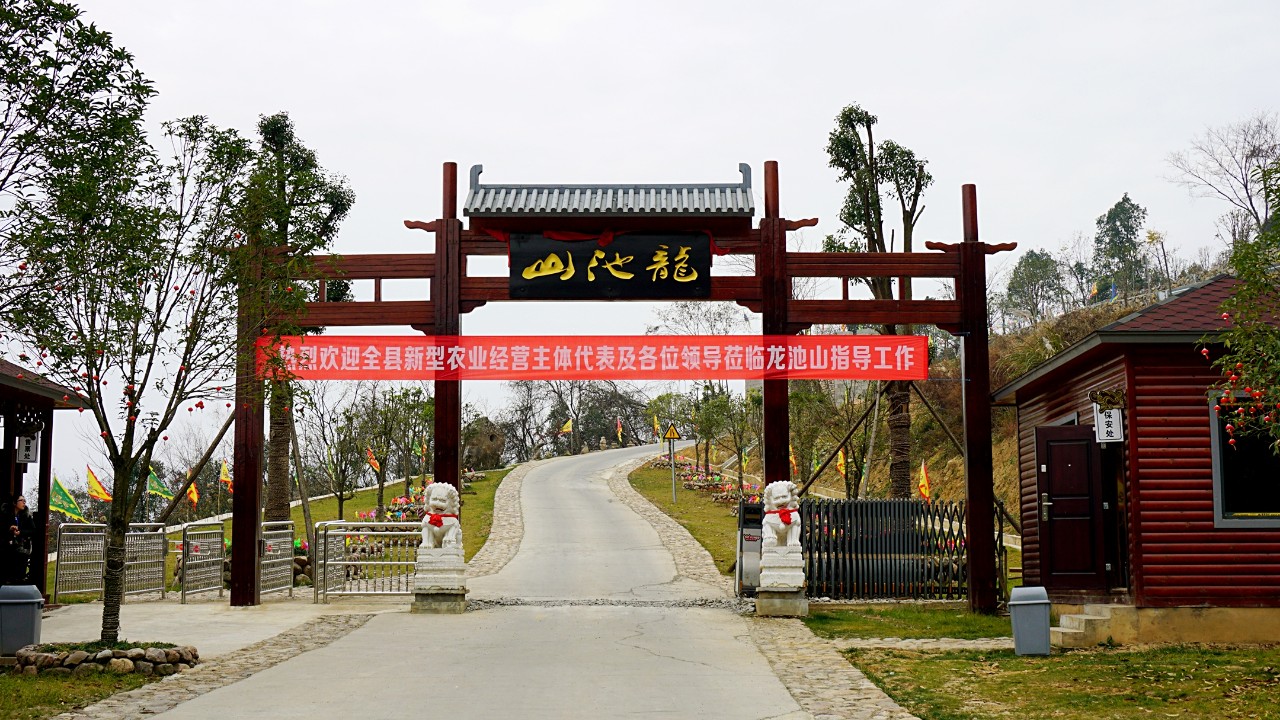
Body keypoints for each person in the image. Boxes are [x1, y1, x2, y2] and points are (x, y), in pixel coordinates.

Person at [2, 495, 36, 584]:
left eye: (25, 500)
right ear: (14, 503)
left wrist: (21, 532)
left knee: (20, 573)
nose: (24, 502)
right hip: (7, 548)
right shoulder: (5, 514)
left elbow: (33, 530)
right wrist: (9, 529)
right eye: (21, 500)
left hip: (21, 548)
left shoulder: (26, 515)